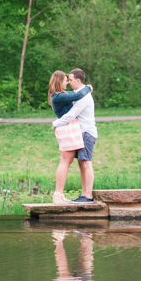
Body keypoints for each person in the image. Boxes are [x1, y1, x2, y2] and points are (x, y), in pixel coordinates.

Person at [51, 69, 97, 203]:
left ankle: (87, 196)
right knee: (79, 162)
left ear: (78, 80)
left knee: (85, 162)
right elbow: (74, 98)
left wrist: (55, 123)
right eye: (67, 80)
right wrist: (88, 88)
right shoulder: (64, 95)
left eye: (70, 80)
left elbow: (72, 113)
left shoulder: (83, 95)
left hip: (86, 132)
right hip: (77, 132)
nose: (69, 82)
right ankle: (82, 195)